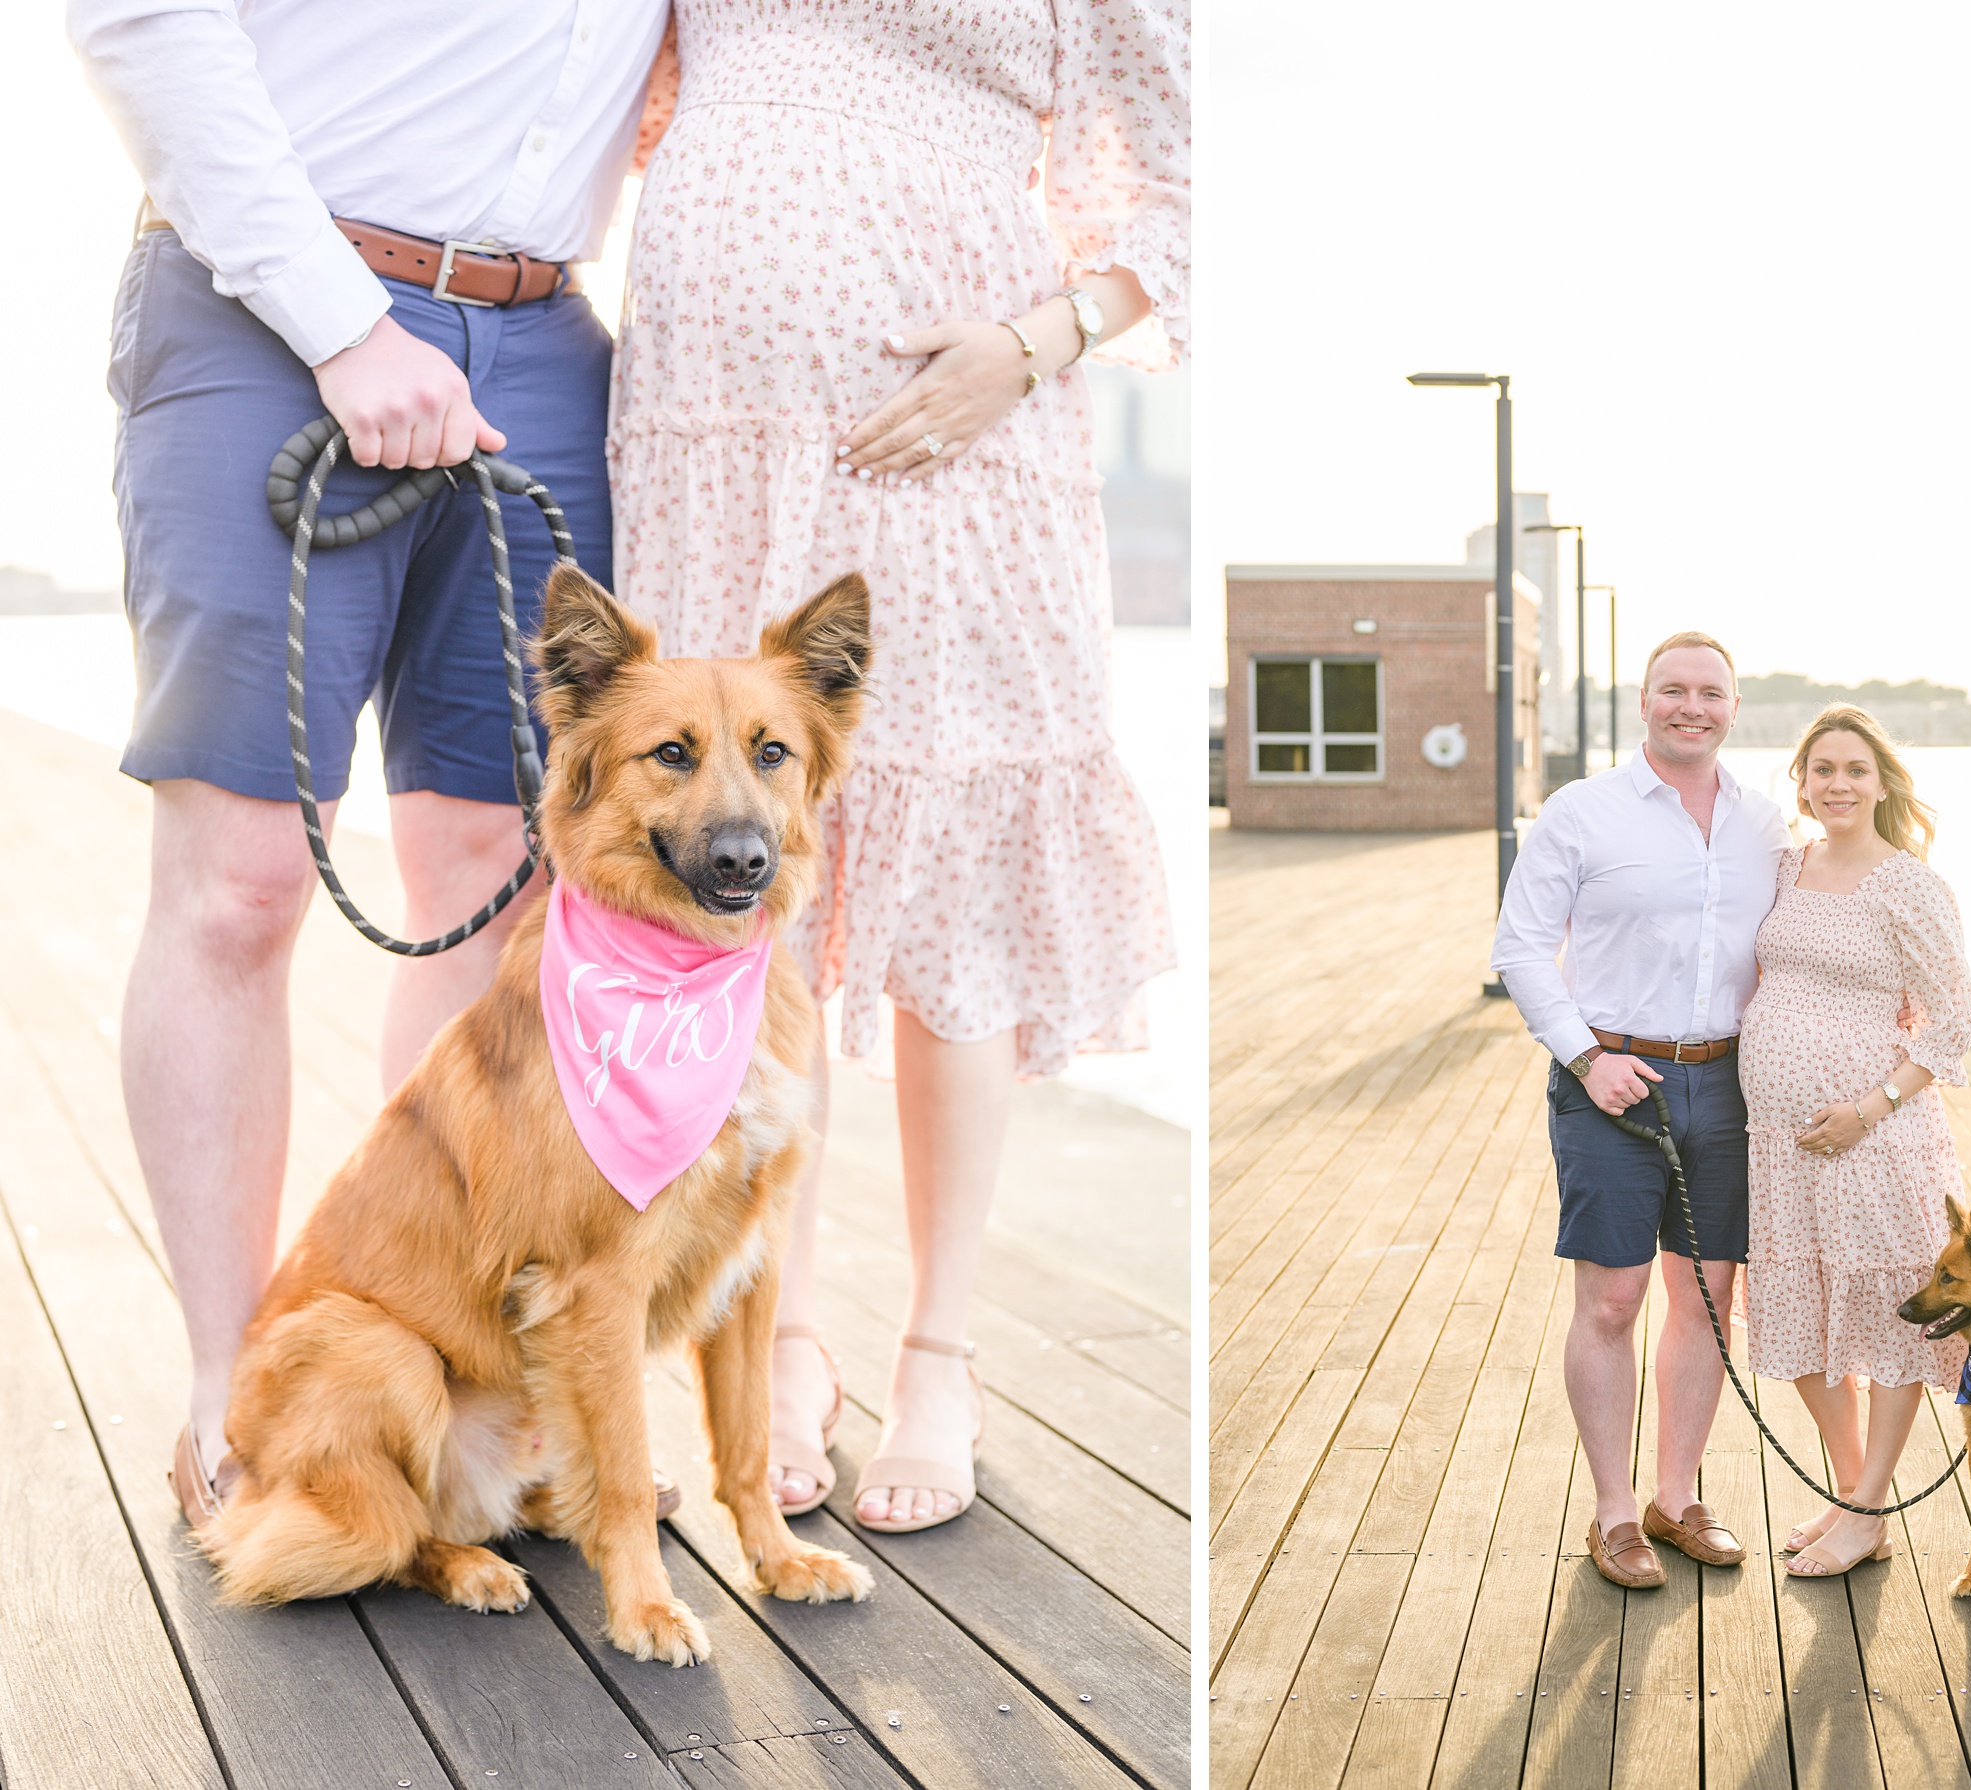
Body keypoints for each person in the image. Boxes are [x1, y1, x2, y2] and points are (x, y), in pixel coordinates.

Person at [70, 0, 675, 1524]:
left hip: (549, 342)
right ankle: (239, 1390)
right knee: (241, 883)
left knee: (490, 877)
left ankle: (453, 1366)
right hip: (264, 303)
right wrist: (344, 324)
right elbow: (142, 19)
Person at [613, 0, 1186, 1533]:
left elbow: (1178, 184)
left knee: (959, 889)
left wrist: (1035, 340)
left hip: (958, 433)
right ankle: (778, 1338)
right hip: (707, 434)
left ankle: (940, 1351)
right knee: (736, 885)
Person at [1491, 632, 1789, 1588]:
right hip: (1609, 1083)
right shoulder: (1583, 814)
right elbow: (1522, 948)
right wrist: (1586, 1058)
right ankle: (1613, 1512)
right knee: (1613, 1299)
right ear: (1644, 701)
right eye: (1673, 690)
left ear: (1733, 708)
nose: (1689, 706)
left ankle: (1675, 1497)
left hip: (1732, 1084)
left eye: (1709, 692)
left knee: (1708, 1301)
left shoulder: (1765, 824)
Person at [1740, 705, 1971, 1577]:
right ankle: (1854, 1500)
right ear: (1799, 780)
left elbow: (1954, 1017)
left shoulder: (1907, 884)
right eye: (1821, 769)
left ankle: (1868, 1504)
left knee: (1888, 1319)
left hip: (1876, 1142)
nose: (1837, 784)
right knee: (1800, 1318)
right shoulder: (1783, 869)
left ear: (1883, 785)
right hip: (1778, 1144)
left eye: (1855, 770)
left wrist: (1869, 1108)